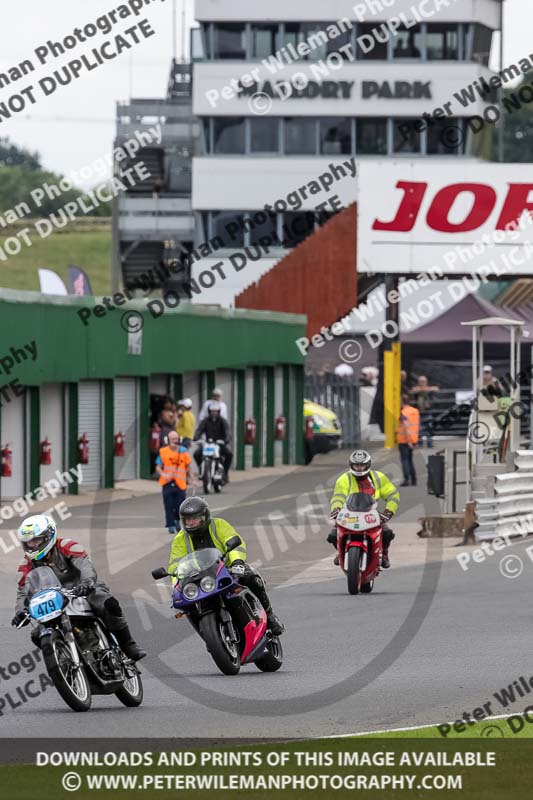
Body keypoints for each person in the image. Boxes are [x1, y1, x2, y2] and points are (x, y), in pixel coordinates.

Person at [11, 514, 146, 661]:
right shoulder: (25, 564)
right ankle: (64, 661)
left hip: (82, 589)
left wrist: (87, 582)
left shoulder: (67, 546)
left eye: (36, 540)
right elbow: (23, 591)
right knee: (37, 634)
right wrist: (21, 611)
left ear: (48, 535)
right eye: (29, 542)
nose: (33, 545)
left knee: (107, 603)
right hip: (54, 599)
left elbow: (85, 565)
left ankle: (128, 645)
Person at [168, 497, 284, 635]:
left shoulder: (219, 525)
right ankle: (208, 636)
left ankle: (270, 616)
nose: (191, 523)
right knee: (187, 605)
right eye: (187, 520)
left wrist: (237, 562)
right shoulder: (180, 539)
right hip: (200, 580)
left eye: (195, 518)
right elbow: (176, 565)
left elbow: (235, 542)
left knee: (251, 577)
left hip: (228, 570)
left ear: (204, 516)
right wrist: (178, 586)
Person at [328, 450, 400, 569]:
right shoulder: (343, 479)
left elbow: (393, 495)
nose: (359, 468)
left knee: (387, 533)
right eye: (357, 465)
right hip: (348, 513)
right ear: (351, 465)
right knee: (333, 534)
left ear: (368, 465)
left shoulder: (379, 477)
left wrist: (388, 512)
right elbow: (338, 496)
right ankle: (340, 552)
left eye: (362, 465)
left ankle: (385, 554)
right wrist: (336, 509)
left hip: (371, 513)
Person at [156, 431, 195, 534]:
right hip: (167, 482)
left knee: (180, 505)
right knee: (168, 505)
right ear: (167, 440)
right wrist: (163, 474)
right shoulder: (163, 451)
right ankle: (170, 524)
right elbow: (158, 467)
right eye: (172, 439)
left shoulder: (183, 451)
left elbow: (188, 466)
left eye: (176, 439)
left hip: (180, 483)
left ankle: (177, 521)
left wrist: (192, 478)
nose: (174, 441)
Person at [194, 401, 233, 481]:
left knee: (229, 454)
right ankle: (202, 470)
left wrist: (226, 439)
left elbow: (227, 431)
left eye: (215, 411)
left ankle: (225, 473)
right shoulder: (205, 421)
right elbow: (199, 430)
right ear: (209, 411)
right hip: (208, 444)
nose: (214, 413)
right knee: (197, 454)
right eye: (212, 411)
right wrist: (196, 437)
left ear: (218, 411)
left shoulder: (223, 421)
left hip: (220, 443)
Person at [397, 394, 420, 487]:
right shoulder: (415, 411)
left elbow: (406, 426)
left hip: (405, 440)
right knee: (410, 459)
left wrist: (409, 440)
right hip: (414, 438)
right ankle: (414, 479)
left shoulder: (403, 412)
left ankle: (407, 479)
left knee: (405, 460)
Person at [410, 375, 439, 448]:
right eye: (421, 381)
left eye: (424, 381)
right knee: (419, 430)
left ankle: (429, 444)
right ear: (418, 382)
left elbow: (436, 389)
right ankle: (420, 444)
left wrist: (426, 389)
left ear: (426, 382)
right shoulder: (416, 389)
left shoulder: (429, 389)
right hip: (419, 413)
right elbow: (413, 390)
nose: (422, 383)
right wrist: (423, 389)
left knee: (429, 428)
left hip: (428, 412)